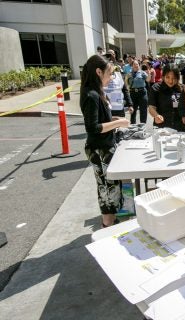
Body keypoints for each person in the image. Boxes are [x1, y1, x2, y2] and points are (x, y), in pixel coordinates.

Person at [80, 54, 130, 227]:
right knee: (107, 188)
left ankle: (110, 221)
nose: (111, 78)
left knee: (112, 185)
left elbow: (103, 117)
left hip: (105, 146)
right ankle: (108, 223)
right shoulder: (91, 95)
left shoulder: (97, 92)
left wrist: (115, 118)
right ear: (98, 72)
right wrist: (119, 122)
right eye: (109, 73)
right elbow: (93, 127)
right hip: (99, 149)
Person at [148, 64, 184, 131]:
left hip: (179, 127)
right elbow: (151, 107)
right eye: (167, 77)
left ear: (178, 78)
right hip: (162, 127)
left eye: (174, 78)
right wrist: (156, 115)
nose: (170, 81)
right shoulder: (156, 88)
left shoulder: (182, 89)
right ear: (163, 76)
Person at [127, 60, 149, 124]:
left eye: (137, 64)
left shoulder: (142, 73)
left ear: (139, 65)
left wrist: (149, 73)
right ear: (132, 66)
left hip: (142, 93)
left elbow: (148, 80)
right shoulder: (129, 74)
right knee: (133, 110)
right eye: (134, 64)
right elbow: (126, 83)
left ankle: (143, 125)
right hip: (133, 93)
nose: (136, 65)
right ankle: (133, 125)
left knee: (143, 110)